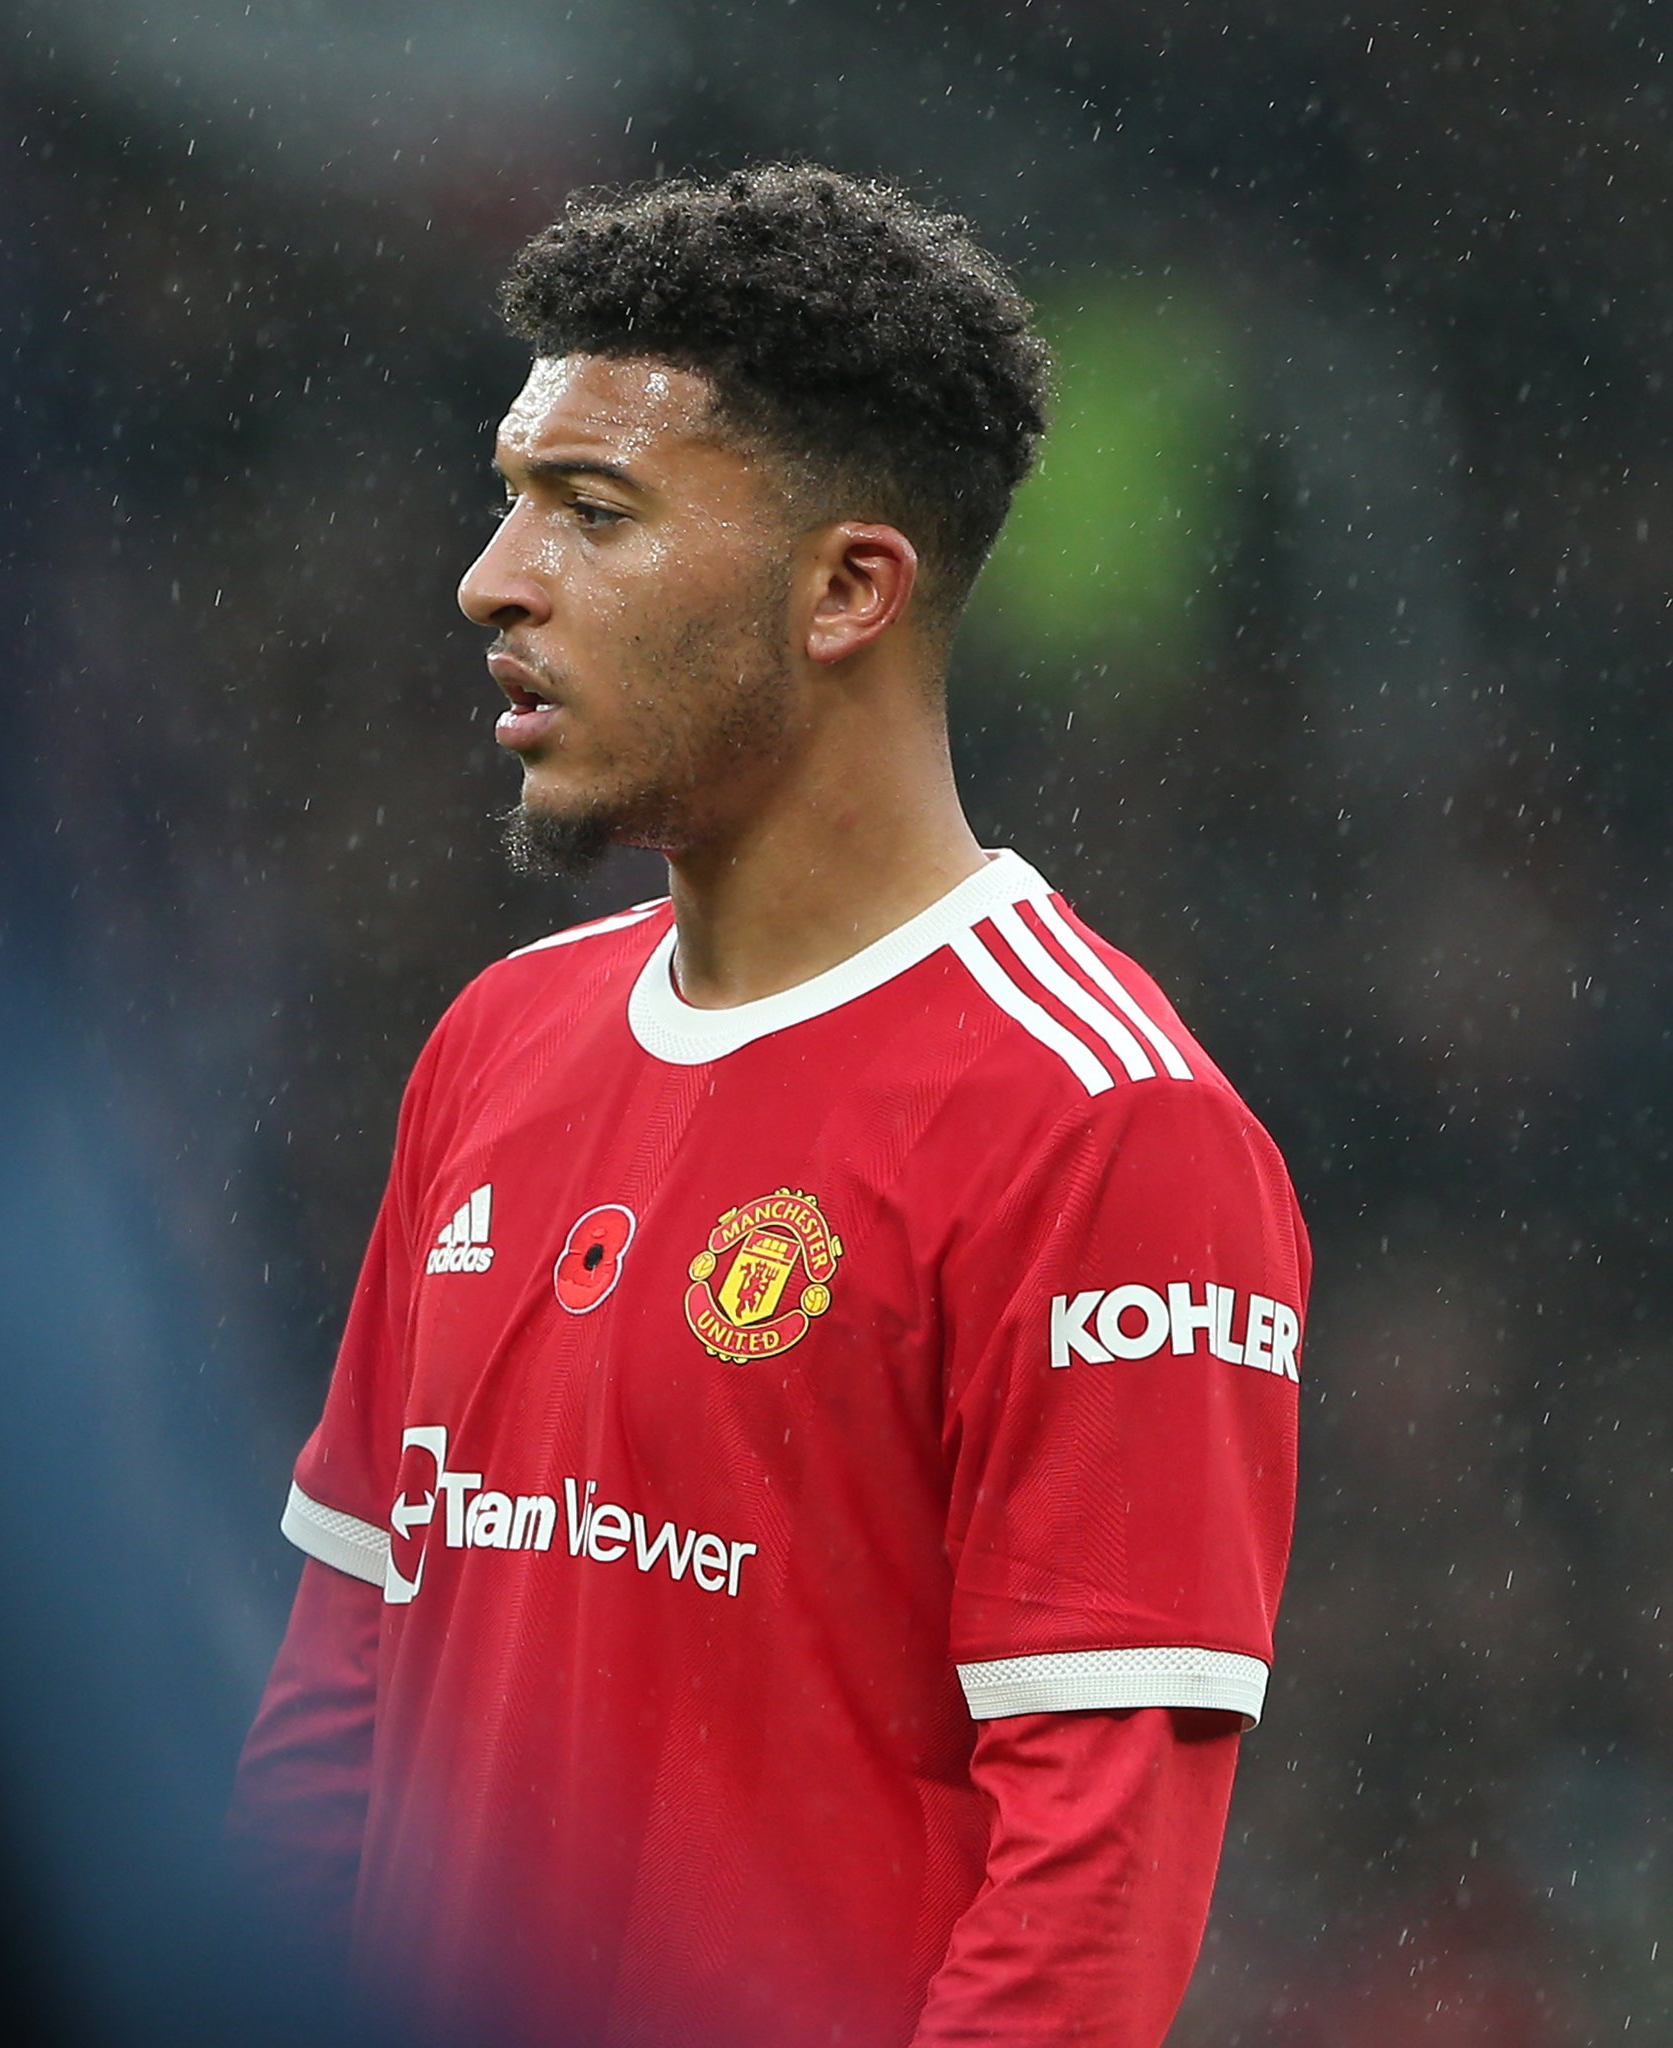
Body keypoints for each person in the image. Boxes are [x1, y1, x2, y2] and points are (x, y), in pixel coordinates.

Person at [227, 164, 1306, 2048]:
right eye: (512, 497)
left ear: (848, 591)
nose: (493, 578)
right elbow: (342, 1692)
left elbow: (1086, 1896)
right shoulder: (493, 1040)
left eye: (593, 511)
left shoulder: (1102, 1126)